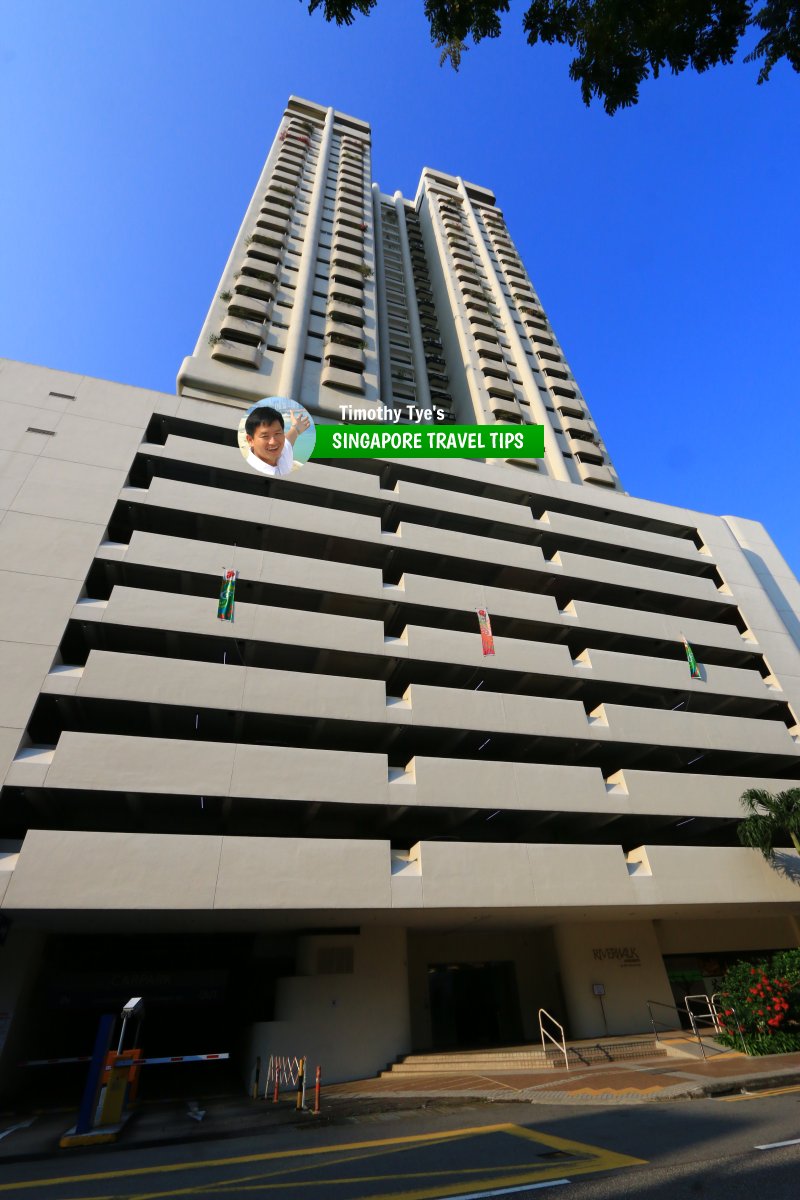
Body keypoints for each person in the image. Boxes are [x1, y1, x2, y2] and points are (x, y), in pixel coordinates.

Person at [244, 405, 311, 477]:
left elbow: (289, 439)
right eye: (265, 436)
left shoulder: (282, 452)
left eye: (277, 433)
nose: (273, 442)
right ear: (250, 440)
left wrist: (296, 428)